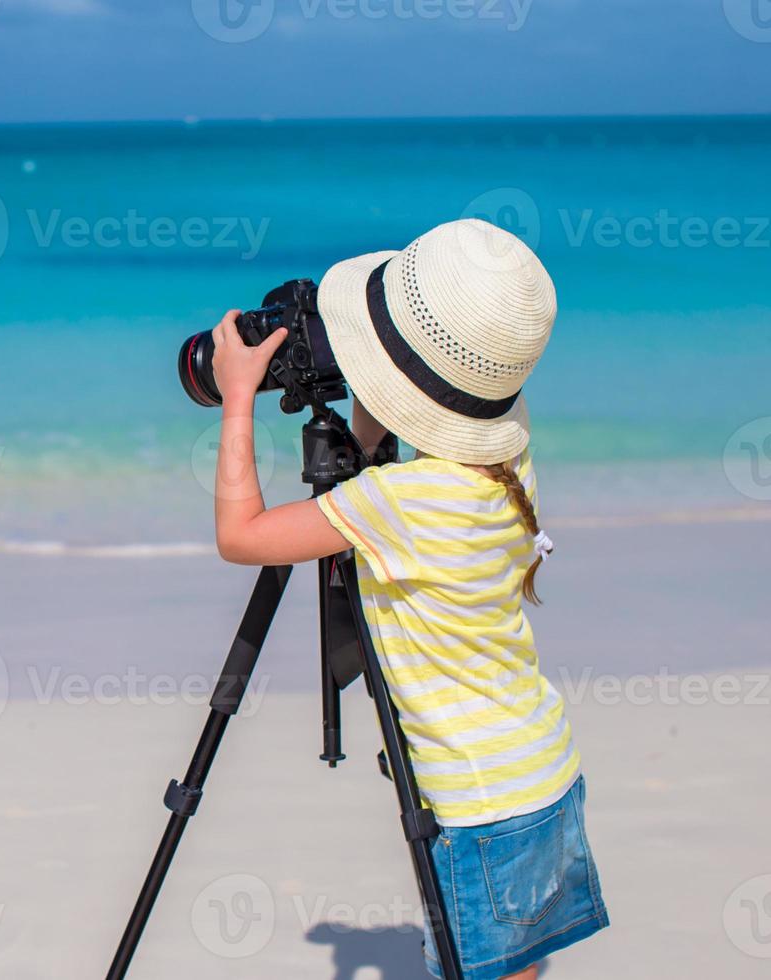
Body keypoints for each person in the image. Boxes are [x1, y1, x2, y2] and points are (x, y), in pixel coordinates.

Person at [206, 219, 609, 980]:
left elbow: (243, 534)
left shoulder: (398, 506)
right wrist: (375, 386)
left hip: (478, 799)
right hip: (544, 770)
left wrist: (236, 399)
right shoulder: (504, 463)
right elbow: (387, 457)